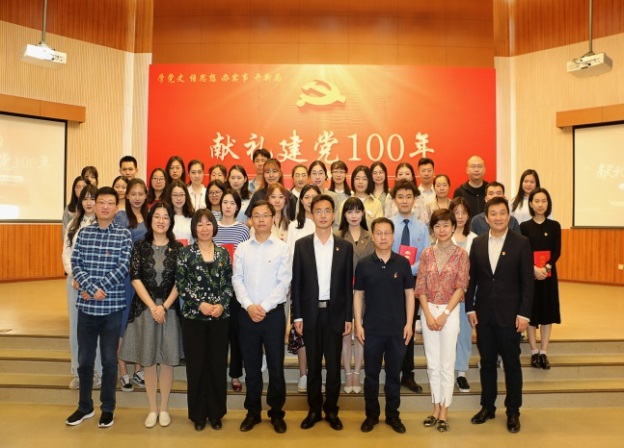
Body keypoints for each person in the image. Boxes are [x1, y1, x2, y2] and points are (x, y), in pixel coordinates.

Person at [466, 196, 534, 434]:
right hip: (484, 315)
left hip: (510, 316)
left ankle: (513, 411)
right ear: (486, 218)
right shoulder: (478, 243)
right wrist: (470, 308)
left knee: (512, 364)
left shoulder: (521, 243)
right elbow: (472, 279)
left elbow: (528, 283)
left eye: (502, 213)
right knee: (486, 363)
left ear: (508, 216)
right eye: (493, 214)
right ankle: (487, 406)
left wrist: (524, 314)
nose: (498, 217)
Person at [65, 186, 132, 428]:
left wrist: (98, 287)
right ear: (95, 205)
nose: (104, 206)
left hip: (112, 307)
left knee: (109, 360)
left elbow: (123, 266)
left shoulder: (124, 235)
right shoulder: (84, 233)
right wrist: (91, 288)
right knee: (84, 360)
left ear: (116, 207)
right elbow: (76, 263)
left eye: (109, 203)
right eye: (101, 202)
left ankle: (108, 408)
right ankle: (84, 407)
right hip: (86, 306)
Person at [292, 194, 354, 431]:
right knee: (313, 367)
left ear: (333, 214)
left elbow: (347, 285)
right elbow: (297, 284)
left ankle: (332, 411)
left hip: (335, 315)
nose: (323, 215)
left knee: (333, 368)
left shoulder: (344, 247)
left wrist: (348, 316)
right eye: (318, 211)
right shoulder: (302, 245)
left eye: (327, 210)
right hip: (310, 314)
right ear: (312, 214)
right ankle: (314, 410)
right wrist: (297, 316)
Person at [119, 202, 183, 428]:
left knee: (166, 361)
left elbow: (180, 281)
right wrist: (153, 307)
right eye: (157, 216)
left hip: (169, 311)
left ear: (170, 222)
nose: (161, 221)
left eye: (166, 217)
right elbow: (135, 278)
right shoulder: (139, 246)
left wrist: (163, 307)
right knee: (148, 361)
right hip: (144, 311)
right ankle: (152, 409)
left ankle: (164, 408)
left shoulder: (178, 248)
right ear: (150, 220)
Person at [232, 201, 291, 434]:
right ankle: (253, 412)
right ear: (251, 220)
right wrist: (249, 306)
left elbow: (284, 283)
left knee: (276, 367)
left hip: (273, 315)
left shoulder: (282, 248)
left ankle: (276, 413)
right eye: (256, 215)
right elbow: (237, 279)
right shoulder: (242, 248)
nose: (261, 219)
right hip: (247, 315)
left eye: (266, 215)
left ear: (272, 218)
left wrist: (263, 307)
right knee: (252, 367)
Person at [354, 217, 415, 434]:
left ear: (393, 236)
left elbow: (410, 295)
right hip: (372, 330)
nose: (383, 237)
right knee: (371, 375)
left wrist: (409, 323)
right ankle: (371, 415)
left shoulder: (403, 263)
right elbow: (358, 295)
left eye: (387, 233)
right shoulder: (364, 265)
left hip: (397, 330)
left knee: (393, 375)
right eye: (378, 233)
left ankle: (392, 416)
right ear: (373, 236)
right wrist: (358, 324)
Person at [176, 209, 233, 431]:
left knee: (217, 366)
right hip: (194, 318)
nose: (204, 228)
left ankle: (216, 413)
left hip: (220, 317)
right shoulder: (185, 253)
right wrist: (200, 304)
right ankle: (198, 414)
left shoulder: (223, 253)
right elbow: (182, 285)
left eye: (208, 223)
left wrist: (221, 305)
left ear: (214, 227)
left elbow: (229, 283)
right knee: (196, 366)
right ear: (194, 228)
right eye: (199, 224)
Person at [415, 209, 470, 433]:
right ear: (432, 229)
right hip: (428, 311)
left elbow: (461, 286)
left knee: (447, 364)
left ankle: (445, 410)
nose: (442, 230)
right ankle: (435, 408)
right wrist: (428, 314)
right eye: (437, 226)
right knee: (433, 364)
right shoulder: (427, 253)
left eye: (446, 225)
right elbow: (420, 287)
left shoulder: (462, 254)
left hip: (450, 312)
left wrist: (444, 314)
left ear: (453, 227)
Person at [390, 180, 430, 392]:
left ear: (415, 200)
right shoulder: (388, 225)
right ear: (394, 200)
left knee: (409, 328)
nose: (404, 201)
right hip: (390, 281)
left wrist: (406, 268)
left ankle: (408, 374)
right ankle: (392, 373)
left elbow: (426, 259)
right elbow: (384, 252)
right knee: (392, 328)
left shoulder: (422, 228)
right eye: (400, 197)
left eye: (408, 197)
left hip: (412, 282)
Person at [62, 184, 101, 390]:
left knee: (97, 329)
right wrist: (76, 276)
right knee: (76, 328)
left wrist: (89, 282)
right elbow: (66, 254)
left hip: (97, 285)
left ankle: (99, 372)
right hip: (75, 284)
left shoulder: (103, 223)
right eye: (84, 198)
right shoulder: (73, 224)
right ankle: (78, 372)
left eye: (92, 198)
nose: (88, 202)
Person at [212, 189, 251, 393]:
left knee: (236, 334)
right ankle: (216, 374)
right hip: (215, 289)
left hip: (236, 289)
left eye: (232, 203)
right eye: (225, 202)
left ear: (237, 207)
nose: (228, 206)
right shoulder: (212, 227)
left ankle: (235, 374)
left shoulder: (243, 230)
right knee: (218, 335)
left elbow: (246, 260)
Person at [520, 188, 561, 370]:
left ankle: (544, 352)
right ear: (531, 204)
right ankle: (534, 351)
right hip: (530, 275)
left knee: (547, 312)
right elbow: (523, 252)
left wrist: (546, 268)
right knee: (531, 313)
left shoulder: (554, 226)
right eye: (536, 201)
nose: (540, 204)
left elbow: (557, 251)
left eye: (544, 201)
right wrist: (534, 269)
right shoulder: (524, 227)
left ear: (548, 203)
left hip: (549, 275)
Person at [114, 178, 150, 391]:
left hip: (145, 277)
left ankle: (138, 369)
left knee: (140, 323)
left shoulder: (149, 217)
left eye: (140, 194)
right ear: (127, 195)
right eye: (133, 193)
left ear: (146, 196)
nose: (137, 197)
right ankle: (123, 371)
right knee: (123, 324)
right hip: (125, 278)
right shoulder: (120, 217)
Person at [337, 197, 374, 394]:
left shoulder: (371, 235)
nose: (353, 215)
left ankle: (357, 373)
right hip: (343, 291)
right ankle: (348, 373)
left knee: (361, 333)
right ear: (344, 214)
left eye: (357, 211)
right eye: (349, 211)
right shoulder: (337, 235)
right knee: (345, 333)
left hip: (365, 291)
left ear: (363, 213)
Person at [285, 184, 320, 393]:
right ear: (301, 201)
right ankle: (303, 374)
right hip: (301, 286)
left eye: (314, 197)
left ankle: (316, 373)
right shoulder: (293, 227)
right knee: (302, 333)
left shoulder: (324, 223)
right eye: (306, 197)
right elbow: (290, 257)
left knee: (319, 333)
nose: (310, 200)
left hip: (323, 288)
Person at [449, 197, 477, 393]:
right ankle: (447, 370)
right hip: (447, 296)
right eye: (456, 212)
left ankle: (461, 373)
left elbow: (477, 270)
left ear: (468, 216)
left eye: (463, 213)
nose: (459, 216)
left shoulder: (476, 239)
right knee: (449, 334)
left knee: (465, 334)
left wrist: (467, 290)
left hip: (468, 296)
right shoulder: (443, 237)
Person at [335, 165, 382, 230]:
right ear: (353, 180)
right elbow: (338, 228)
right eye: (357, 178)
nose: (360, 182)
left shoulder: (376, 204)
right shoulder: (344, 203)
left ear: (369, 181)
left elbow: (379, 228)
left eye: (364, 179)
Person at [165, 180, 195, 245]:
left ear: (186, 196)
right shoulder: (165, 217)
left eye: (181, 195)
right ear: (170, 196)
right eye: (175, 195)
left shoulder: (192, 218)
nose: (178, 198)